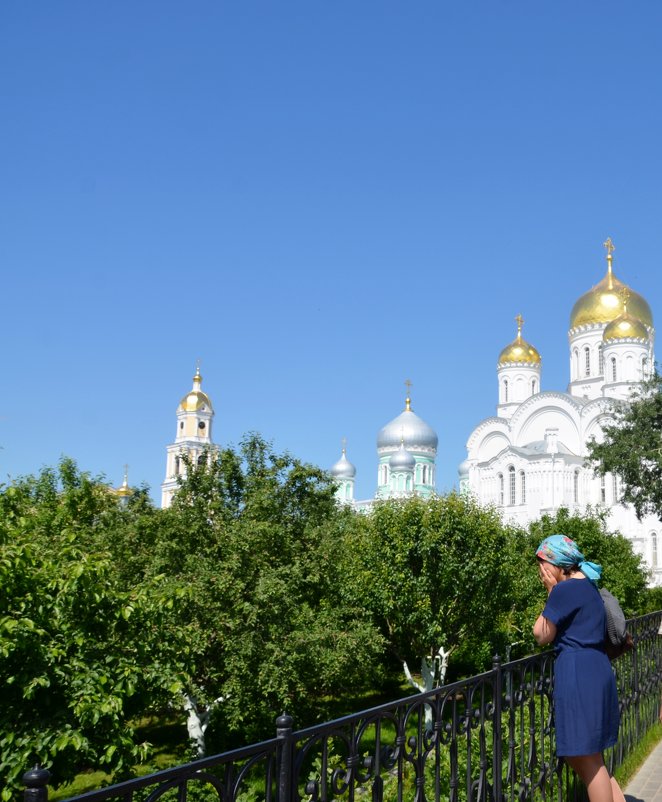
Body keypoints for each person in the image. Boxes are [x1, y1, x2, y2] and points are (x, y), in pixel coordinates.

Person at [533, 534, 626, 802]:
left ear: (559, 564)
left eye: (544, 564)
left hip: (579, 674)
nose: (541, 571)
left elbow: (541, 634)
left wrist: (551, 593)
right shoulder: (588, 585)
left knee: (588, 759)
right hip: (596, 670)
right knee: (588, 757)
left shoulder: (563, 590)